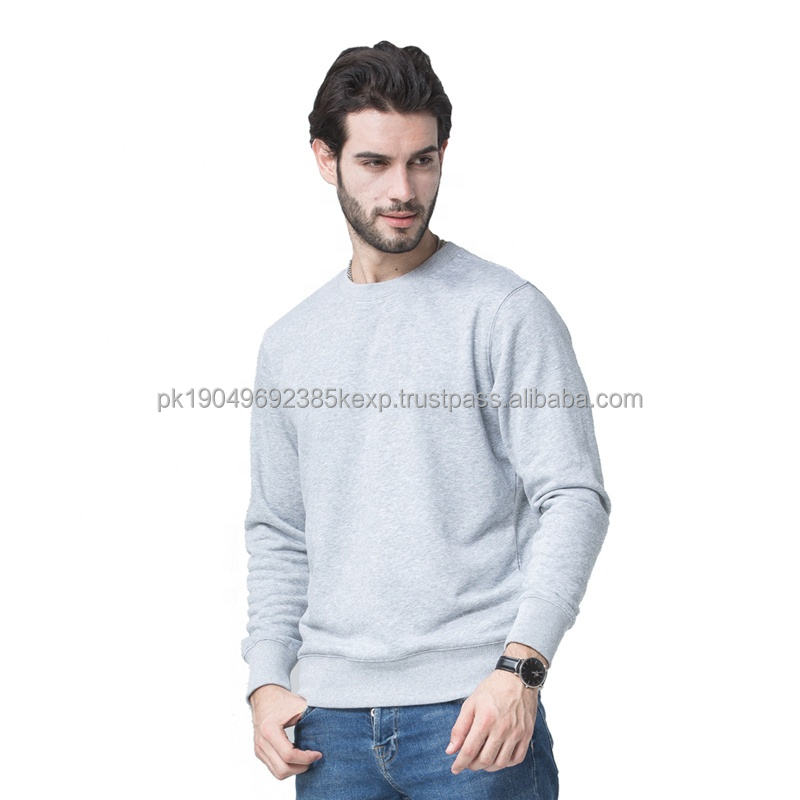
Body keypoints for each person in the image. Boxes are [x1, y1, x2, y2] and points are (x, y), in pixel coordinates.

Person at [241, 40, 611, 799]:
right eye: (375, 163)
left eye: (423, 161)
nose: (403, 189)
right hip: (326, 726)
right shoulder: (290, 342)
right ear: (325, 159)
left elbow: (572, 496)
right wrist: (266, 680)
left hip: (474, 715)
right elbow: (279, 529)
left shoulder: (505, 312)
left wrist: (521, 667)